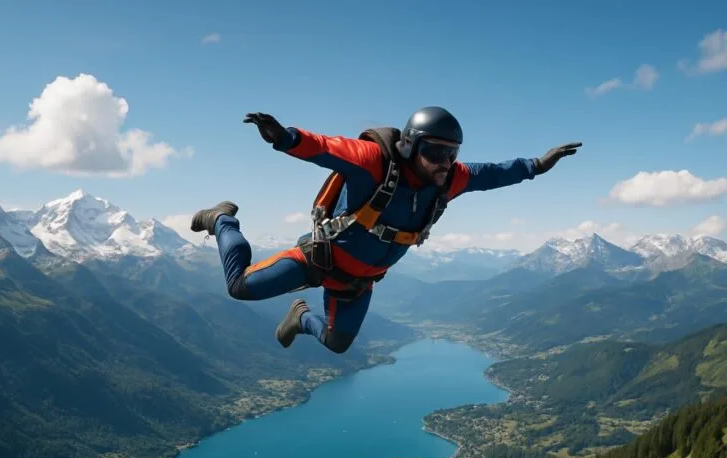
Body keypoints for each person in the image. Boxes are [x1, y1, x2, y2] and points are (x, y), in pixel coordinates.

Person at [191, 106, 581, 355]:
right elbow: (326, 147)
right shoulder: (376, 162)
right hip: (316, 260)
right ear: (410, 146)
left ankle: (300, 316)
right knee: (239, 287)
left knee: (338, 344)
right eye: (436, 152)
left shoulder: (449, 179)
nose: (446, 162)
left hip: (358, 282)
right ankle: (223, 219)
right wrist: (285, 137)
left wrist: (537, 165)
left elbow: (494, 173)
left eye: (453, 153)